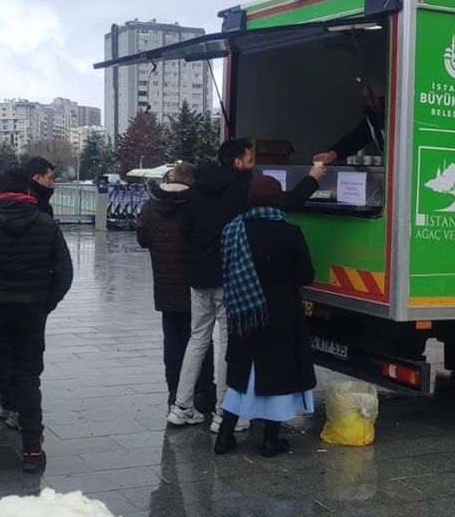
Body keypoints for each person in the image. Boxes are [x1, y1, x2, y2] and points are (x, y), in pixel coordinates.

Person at [168, 139, 324, 432]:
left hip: (199, 276)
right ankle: (224, 412)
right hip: (229, 277)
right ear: (237, 163)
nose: (253, 162)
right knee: (229, 344)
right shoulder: (243, 187)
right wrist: (313, 179)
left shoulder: (199, 187)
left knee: (197, 339)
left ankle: (181, 406)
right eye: (250, 158)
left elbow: (186, 229)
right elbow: (286, 201)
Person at [0, 167, 73, 474]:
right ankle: (32, 451)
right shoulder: (47, 225)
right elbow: (64, 273)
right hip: (31, 313)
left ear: (0, 192)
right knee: (28, 379)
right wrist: (46, 304)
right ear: (29, 192)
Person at [213, 175, 317, 458]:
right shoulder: (290, 232)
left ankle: (224, 437)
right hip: (281, 312)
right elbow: (306, 275)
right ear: (277, 199)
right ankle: (271, 440)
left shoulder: (233, 229)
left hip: (243, 313)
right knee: (277, 373)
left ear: (250, 199)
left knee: (241, 374)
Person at [136, 162, 215, 413]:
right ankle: (203, 393)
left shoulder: (151, 205)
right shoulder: (198, 205)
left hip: (166, 286)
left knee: (172, 341)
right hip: (195, 285)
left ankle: (174, 392)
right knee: (201, 340)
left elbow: (142, 239)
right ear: (191, 180)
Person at [313, 79, 387, 164]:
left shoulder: (399, 120)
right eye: (368, 99)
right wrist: (332, 154)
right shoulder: (373, 121)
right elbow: (355, 139)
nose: (371, 103)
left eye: (374, 99)